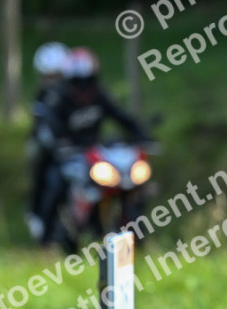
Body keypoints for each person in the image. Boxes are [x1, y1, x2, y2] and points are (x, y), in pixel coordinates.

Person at [30, 48, 149, 245]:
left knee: (133, 183)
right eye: (78, 82)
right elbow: (49, 126)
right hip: (65, 156)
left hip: (94, 155)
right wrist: (60, 145)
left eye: (88, 80)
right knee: (55, 184)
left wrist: (142, 135)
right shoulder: (57, 98)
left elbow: (121, 116)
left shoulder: (99, 94)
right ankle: (47, 237)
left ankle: (127, 234)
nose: (84, 87)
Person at [24, 42, 69, 241]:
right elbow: (41, 127)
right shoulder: (42, 97)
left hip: (73, 149)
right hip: (49, 148)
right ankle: (38, 215)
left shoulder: (74, 95)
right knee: (41, 166)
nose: (52, 82)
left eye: (56, 76)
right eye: (48, 77)